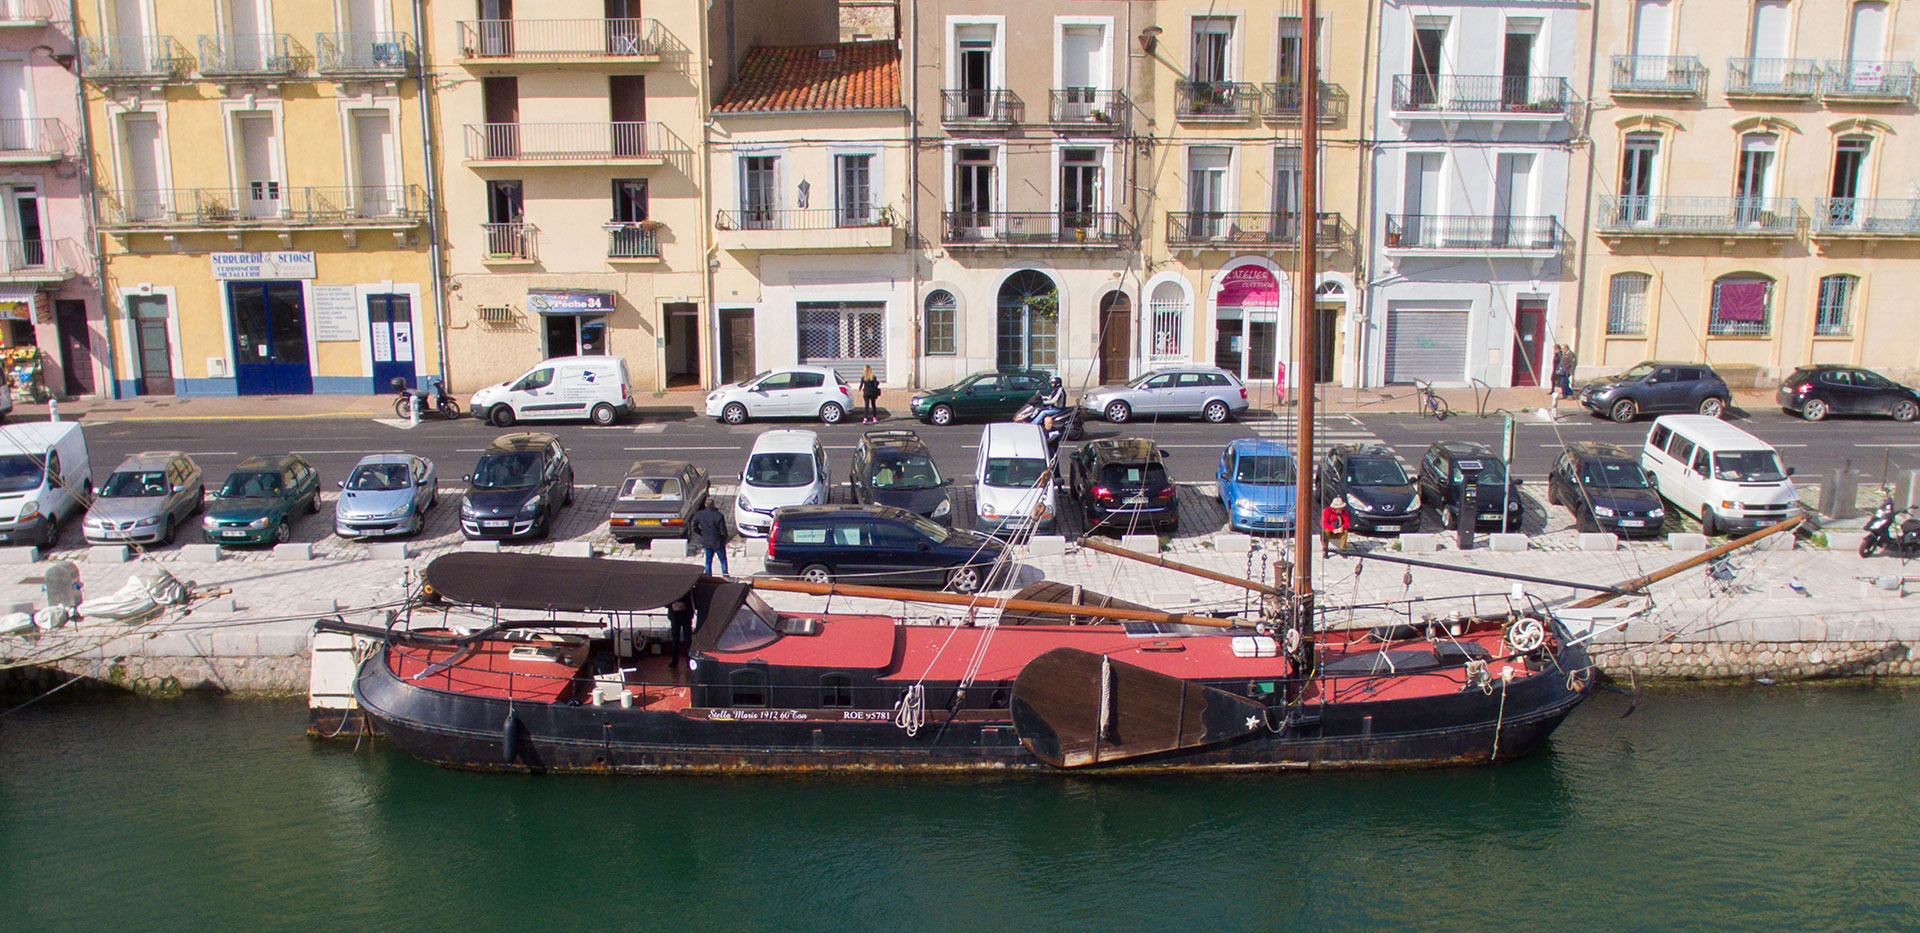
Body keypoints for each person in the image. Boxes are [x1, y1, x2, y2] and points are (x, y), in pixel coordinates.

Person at [690, 496, 730, 576]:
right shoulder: (719, 516)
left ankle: (708, 576)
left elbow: (694, 526)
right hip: (718, 541)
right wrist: (724, 539)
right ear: (714, 505)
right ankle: (725, 575)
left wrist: (701, 533)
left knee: (708, 560)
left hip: (707, 541)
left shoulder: (700, 514)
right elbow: (723, 531)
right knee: (722, 559)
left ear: (705, 505)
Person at [665, 597, 694, 671]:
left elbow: (692, 599)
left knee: (687, 640)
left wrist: (684, 604)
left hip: (685, 616)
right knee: (676, 640)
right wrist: (672, 605)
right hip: (676, 616)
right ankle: (675, 661)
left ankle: (688, 662)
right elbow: (665, 601)